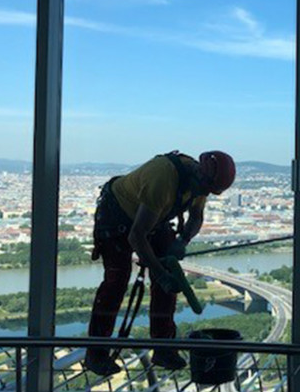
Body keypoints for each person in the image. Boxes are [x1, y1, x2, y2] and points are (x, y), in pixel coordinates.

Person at [85, 150, 236, 377]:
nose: (205, 193)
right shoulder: (164, 178)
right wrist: (159, 272)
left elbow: (196, 217)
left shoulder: (200, 183)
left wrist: (183, 240)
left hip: (149, 218)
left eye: (209, 191)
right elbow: (136, 236)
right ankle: (96, 354)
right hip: (116, 216)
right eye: (206, 188)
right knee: (117, 281)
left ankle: (164, 348)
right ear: (200, 174)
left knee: (168, 276)